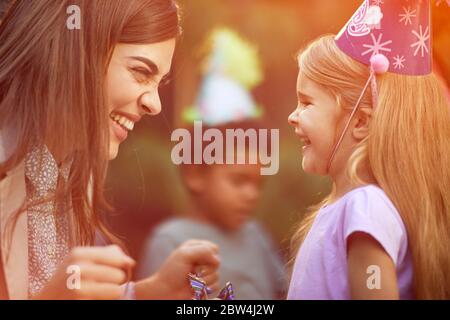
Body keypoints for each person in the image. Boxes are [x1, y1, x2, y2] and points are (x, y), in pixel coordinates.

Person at [0, 0, 219, 300]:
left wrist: (149, 292)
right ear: (74, 54)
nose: (154, 104)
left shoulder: (77, 174)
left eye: (159, 82)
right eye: (141, 72)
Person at [287, 0, 450, 299]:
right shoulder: (347, 207)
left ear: (360, 121)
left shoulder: (365, 208)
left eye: (306, 102)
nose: (292, 115)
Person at [138, 28, 286, 299]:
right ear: (196, 174)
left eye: (258, 184)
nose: (251, 194)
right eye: (238, 180)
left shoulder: (256, 236)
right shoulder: (170, 240)